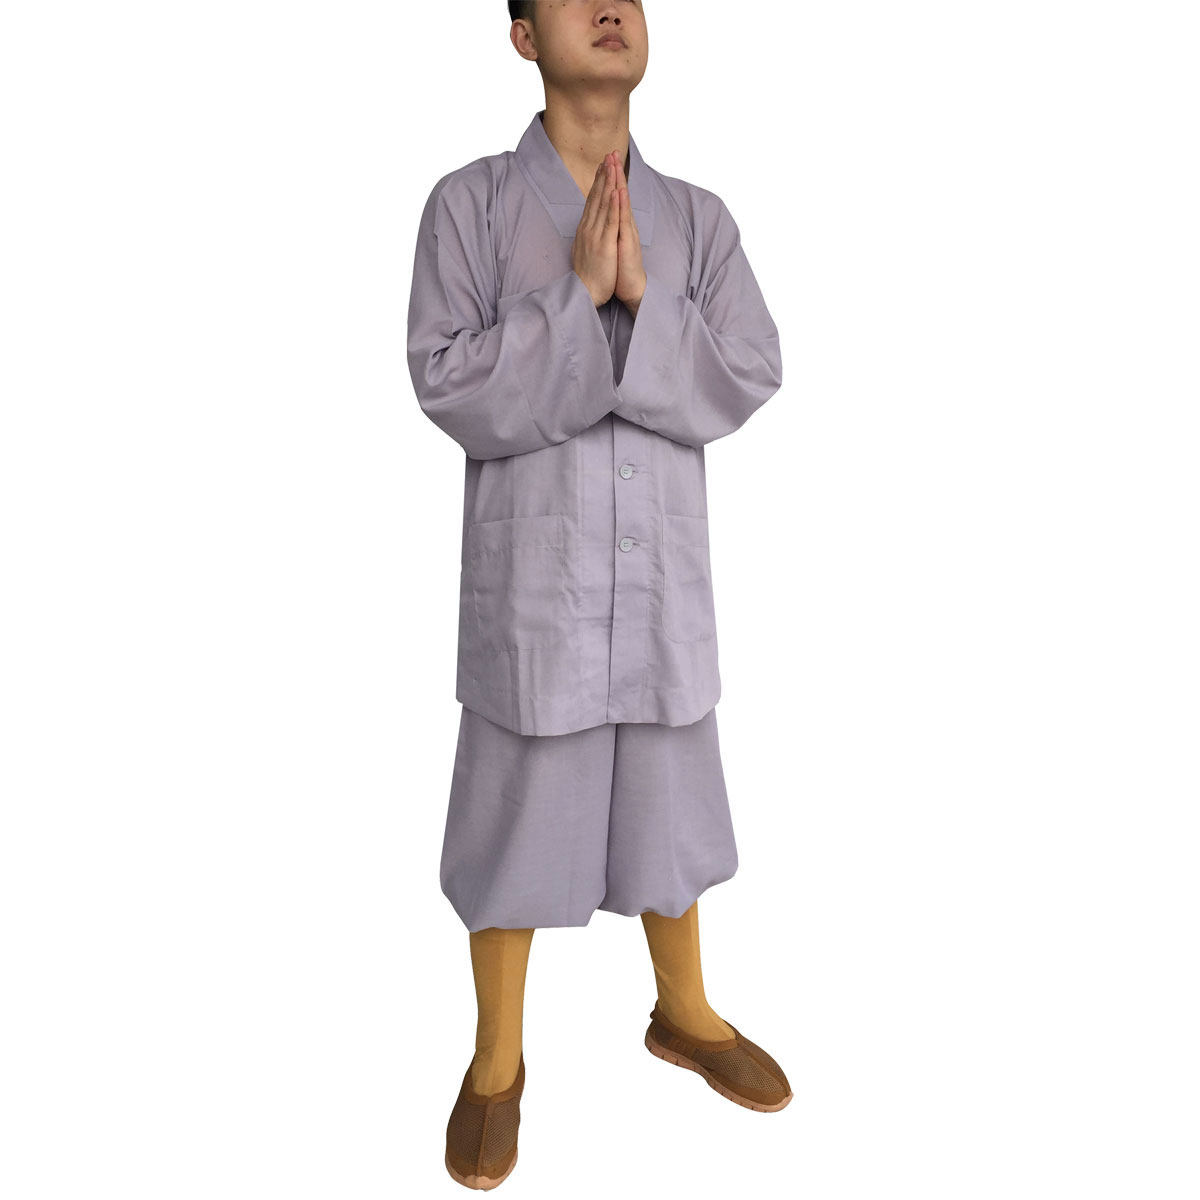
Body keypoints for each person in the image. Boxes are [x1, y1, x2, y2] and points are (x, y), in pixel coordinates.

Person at [406, 1, 789, 1188]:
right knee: (516, 808)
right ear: (525, 37)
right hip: (537, 582)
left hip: (659, 577)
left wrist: (644, 305)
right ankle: (496, 1061)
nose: (611, 6)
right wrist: (576, 299)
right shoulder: (468, 206)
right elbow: (444, 380)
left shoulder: (700, 219)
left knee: (670, 797)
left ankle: (686, 1012)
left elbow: (751, 369)